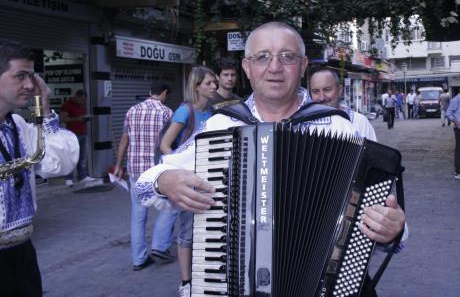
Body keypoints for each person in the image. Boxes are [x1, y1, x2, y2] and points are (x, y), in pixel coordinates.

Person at [136, 22, 406, 296]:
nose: (274, 67)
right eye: (262, 57)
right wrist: (165, 180)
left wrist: (394, 229)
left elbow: (382, 222)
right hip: (236, 284)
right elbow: (145, 184)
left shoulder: (339, 128)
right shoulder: (222, 125)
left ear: (302, 66)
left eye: (287, 57)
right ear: (247, 68)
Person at [0, 40, 78, 297]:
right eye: (20, 76)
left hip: (22, 255)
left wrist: (44, 108)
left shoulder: (19, 125)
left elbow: (61, 165)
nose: (30, 85)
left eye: (32, 77)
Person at [158, 66, 217, 295]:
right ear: (196, 86)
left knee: (204, 229)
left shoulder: (211, 112)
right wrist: (181, 170)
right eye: (209, 83)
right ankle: (186, 282)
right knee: (186, 233)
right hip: (188, 179)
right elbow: (165, 144)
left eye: (214, 82)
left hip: (206, 178)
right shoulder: (185, 111)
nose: (214, 87)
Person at [113, 81, 178, 271]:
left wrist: (118, 165)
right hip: (157, 172)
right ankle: (160, 245)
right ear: (164, 93)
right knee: (171, 207)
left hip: (135, 170)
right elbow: (170, 143)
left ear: (150, 92)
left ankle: (138, 259)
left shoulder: (132, 111)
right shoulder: (167, 113)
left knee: (138, 215)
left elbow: (124, 140)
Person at [309, 68, 376, 141]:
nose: (321, 98)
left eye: (327, 90)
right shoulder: (304, 124)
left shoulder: (360, 122)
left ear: (340, 90)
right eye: (315, 91)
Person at [60, 90, 93, 186]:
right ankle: (68, 178)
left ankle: (82, 176)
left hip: (83, 133)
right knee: (71, 157)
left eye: (84, 100)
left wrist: (85, 118)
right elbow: (62, 119)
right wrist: (77, 119)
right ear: (76, 97)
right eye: (81, 99)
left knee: (82, 156)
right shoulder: (67, 105)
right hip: (72, 135)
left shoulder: (82, 105)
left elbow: (81, 117)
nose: (82, 102)